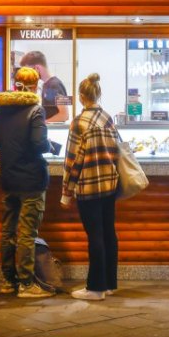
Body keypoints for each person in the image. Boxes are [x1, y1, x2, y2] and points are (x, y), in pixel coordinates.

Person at [0, 66, 54, 299]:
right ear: (35, 85)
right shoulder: (35, 110)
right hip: (31, 180)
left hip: (8, 177)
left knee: (8, 231)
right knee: (27, 232)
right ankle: (27, 284)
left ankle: (9, 281)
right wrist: (49, 145)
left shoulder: (1, 110)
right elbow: (39, 144)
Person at [60, 73, 120, 301]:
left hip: (89, 187)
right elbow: (118, 150)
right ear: (98, 94)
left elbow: (72, 160)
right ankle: (109, 284)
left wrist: (66, 192)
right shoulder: (107, 118)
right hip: (109, 184)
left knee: (94, 235)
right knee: (108, 233)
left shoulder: (79, 122)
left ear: (82, 97)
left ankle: (95, 288)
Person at [20, 50, 69, 120]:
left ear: (37, 68)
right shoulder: (45, 85)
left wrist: (42, 124)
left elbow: (65, 115)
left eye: (29, 71)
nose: (28, 75)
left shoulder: (56, 85)